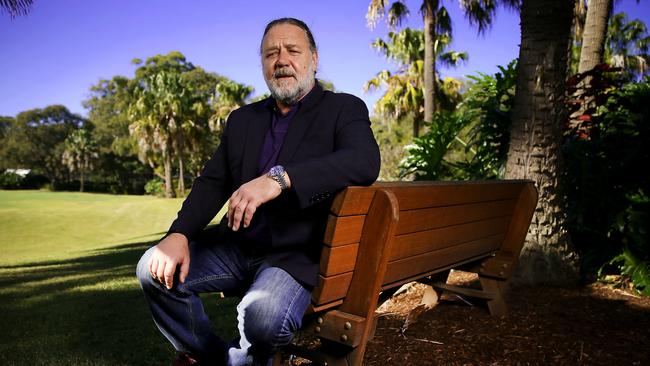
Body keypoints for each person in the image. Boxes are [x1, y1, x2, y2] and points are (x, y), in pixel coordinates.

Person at [136, 17, 380, 366]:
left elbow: (364, 161)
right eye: (271, 53)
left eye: (293, 50)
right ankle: (212, 357)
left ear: (313, 58)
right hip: (237, 247)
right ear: (263, 64)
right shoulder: (242, 120)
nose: (282, 60)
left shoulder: (343, 108)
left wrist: (279, 178)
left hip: (296, 256)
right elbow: (213, 183)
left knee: (262, 321)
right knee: (151, 268)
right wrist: (178, 234)